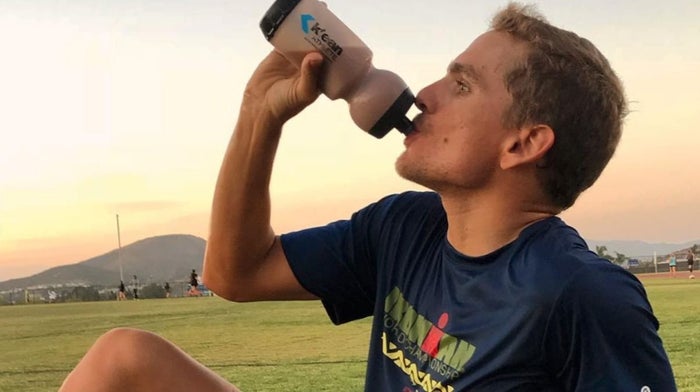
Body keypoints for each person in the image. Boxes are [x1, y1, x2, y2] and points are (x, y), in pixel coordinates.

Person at [58, 4, 676, 391]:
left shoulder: (583, 293)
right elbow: (233, 272)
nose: (425, 94)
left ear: (523, 143)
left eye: (461, 84)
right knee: (126, 357)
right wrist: (259, 116)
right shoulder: (403, 227)